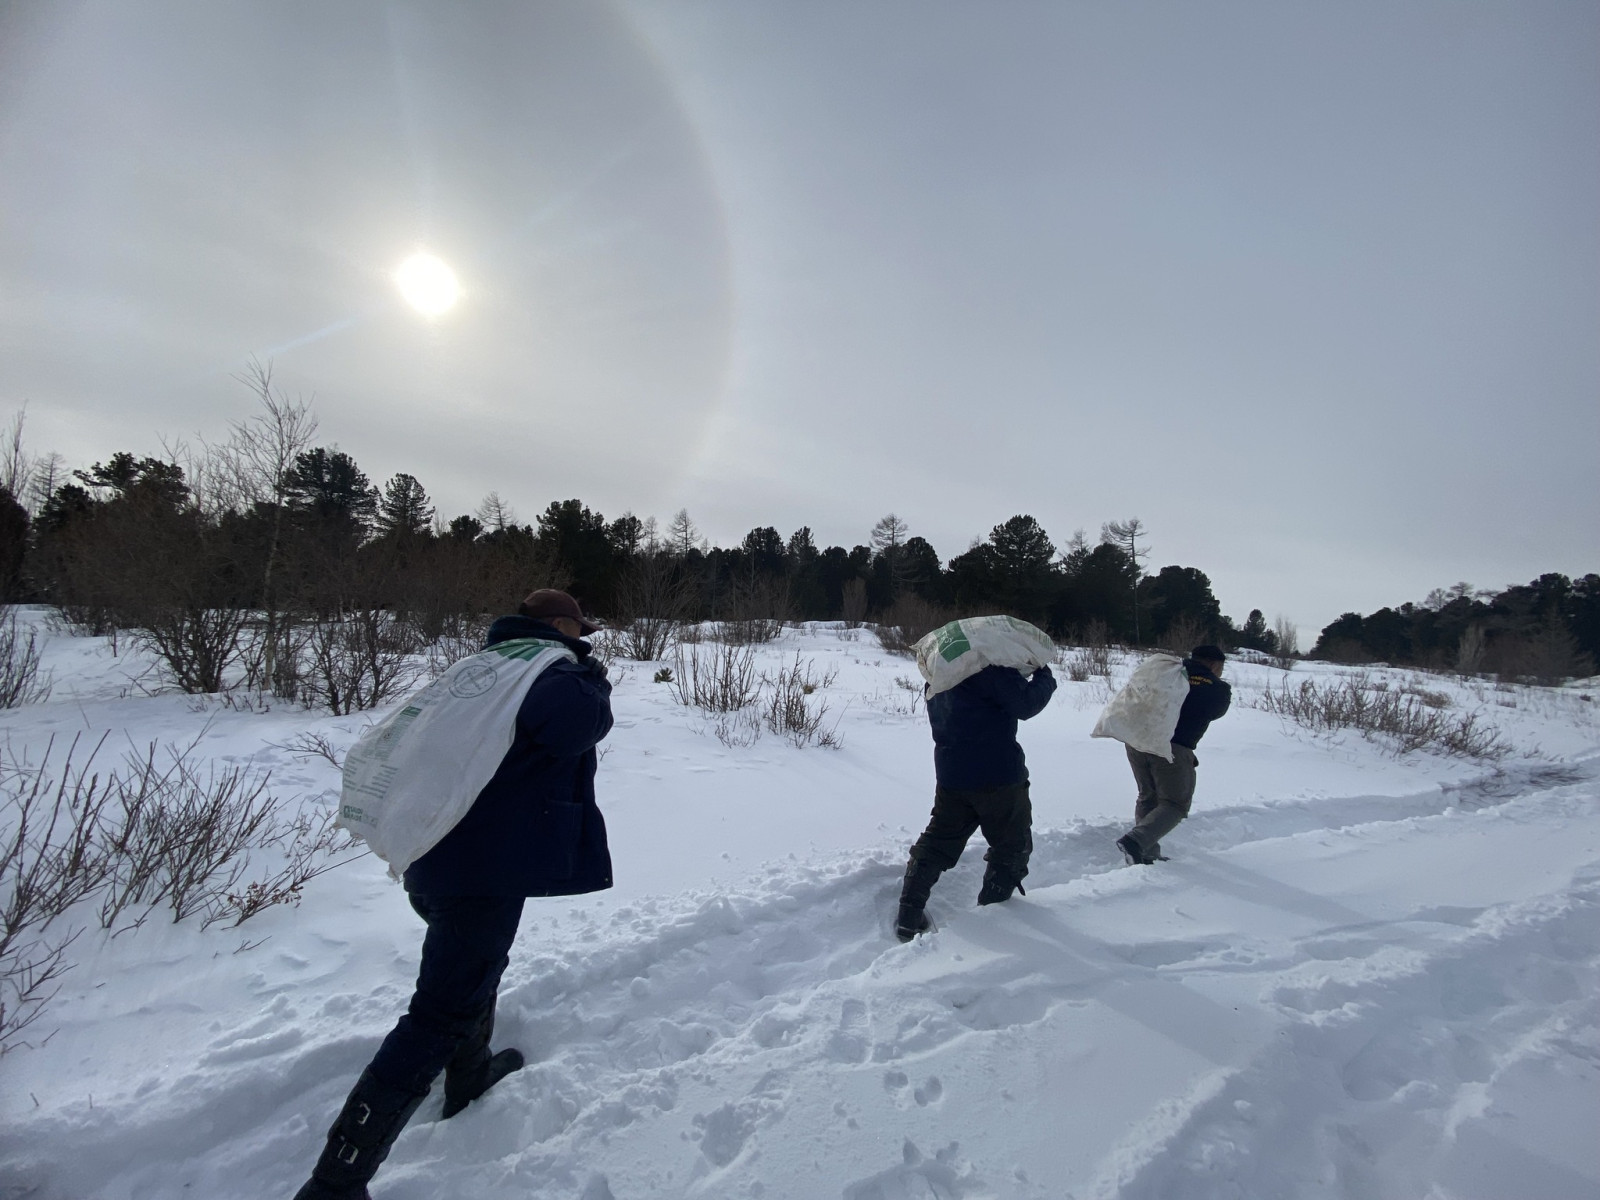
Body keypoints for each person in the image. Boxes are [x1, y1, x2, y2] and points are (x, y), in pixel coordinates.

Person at [293, 589, 614, 1200]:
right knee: (439, 1011)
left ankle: (469, 1078)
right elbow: (576, 727)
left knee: (473, 970)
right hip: (481, 866)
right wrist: (588, 674)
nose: (585, 639)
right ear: (558, 626)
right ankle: (336, 1181)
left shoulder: (482, 670)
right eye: (579, 629)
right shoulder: (548, 671)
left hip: (437, 852)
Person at [895, 658, 1057, 942]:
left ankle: (908, 916)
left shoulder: (938, 675)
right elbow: (1026, 705)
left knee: (938, 841)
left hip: (952, 775)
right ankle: (991, 919)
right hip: (999, 777)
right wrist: (1045, 678)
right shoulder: (993, 670)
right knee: (1012, 848)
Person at [1115, 644, 1231, 866]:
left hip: (1137, 741)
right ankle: (1136, 841)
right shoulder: (1215, 688)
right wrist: (1221, 687)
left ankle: (1146, 854)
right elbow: (1216, 711)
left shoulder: (1167, 672)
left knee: (1149, 796)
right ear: (1215, 665)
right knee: (1175, 804)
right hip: (1172, 749)